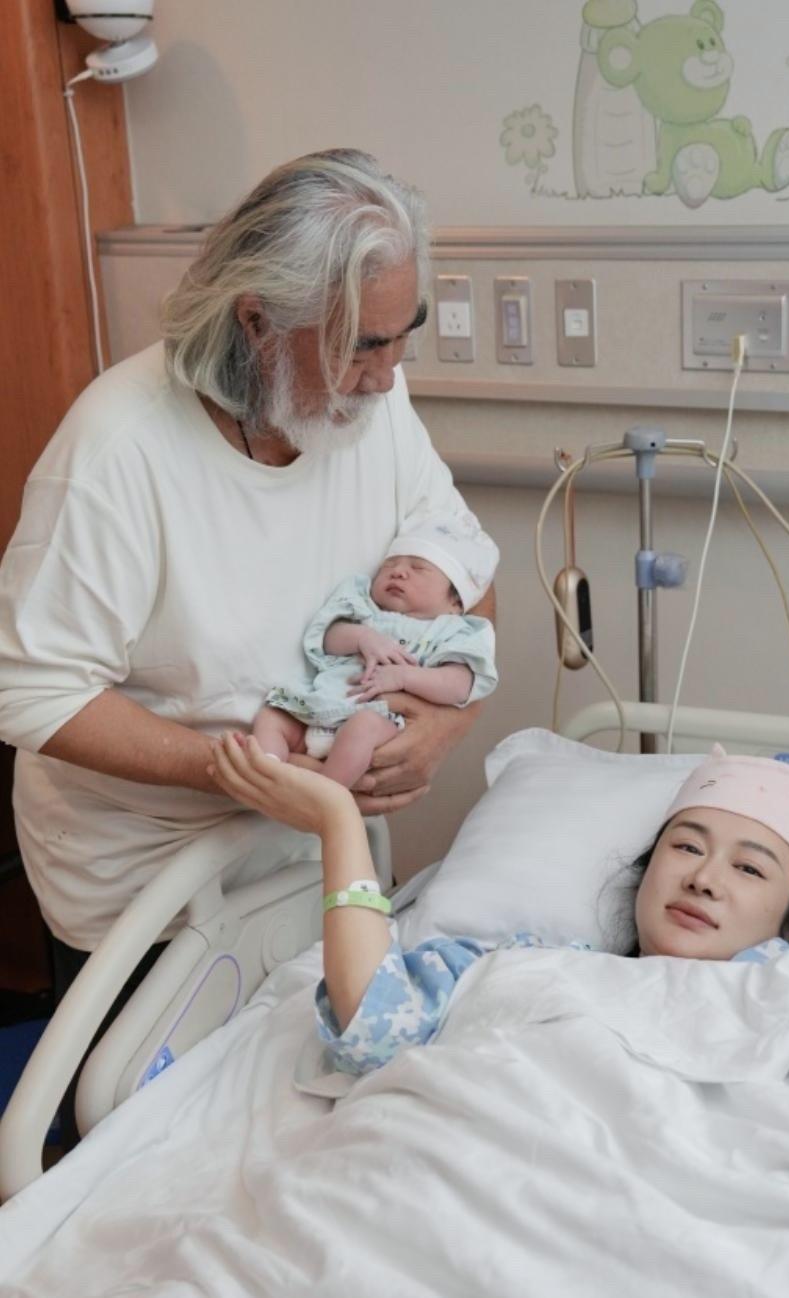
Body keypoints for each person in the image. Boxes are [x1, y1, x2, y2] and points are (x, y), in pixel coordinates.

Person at [0, 149, 494, 979]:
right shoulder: (120, 450)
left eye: (402, 338)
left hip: (315, 861)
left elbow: (464, 574)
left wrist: (443, 722)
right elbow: (31, 689)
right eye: (361, 346)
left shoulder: (371, 404)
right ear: (257, 322)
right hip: (148, 894)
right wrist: (239, 772)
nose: (386, 378)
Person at [209, 735, 789, 1209]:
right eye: (685, 847)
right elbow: (369, 1023)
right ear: (645, 873)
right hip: (466, 1187)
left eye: (749, 868)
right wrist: (338, 825)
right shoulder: (522, 962)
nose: (705, 878)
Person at [254, 512, 499, 787]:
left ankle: (324, 790)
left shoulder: (452, 632)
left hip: (378, 717)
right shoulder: (363, 606)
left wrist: (404, 677)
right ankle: (266, 770)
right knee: (272, 715)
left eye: (418, 568)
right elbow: (326, 640)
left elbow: (460, 685)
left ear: (455, 602)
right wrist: (361, 637)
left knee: (363, 728)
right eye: (390, 564)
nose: (398, 571)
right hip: (316, 707)